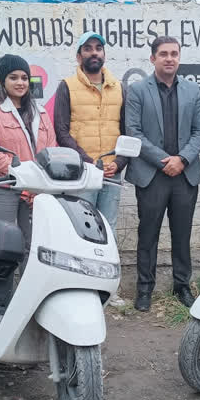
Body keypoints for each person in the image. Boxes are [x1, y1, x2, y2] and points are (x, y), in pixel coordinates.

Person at [125, 36, 200, 312]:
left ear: (179, 57)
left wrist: (182, 159)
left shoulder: (193, 91)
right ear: (153, 59)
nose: (169, 58)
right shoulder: (137, 91)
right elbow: (133, 132)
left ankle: (182, 285)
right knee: (147, 234)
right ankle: (145, 288)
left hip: (184, 175)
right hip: (152, 174)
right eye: (163, 54)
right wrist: (165, 161)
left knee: (182, 233)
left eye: (174, 53)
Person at [54, 31, 127, 307]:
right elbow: (62, 131)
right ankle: (82, 288)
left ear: (104, 54)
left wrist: (118, 163)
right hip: (82, 173)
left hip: (111, 172)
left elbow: (126, 131)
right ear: (79, 55)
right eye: (88, 49)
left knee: (108, 228)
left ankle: (108, 289)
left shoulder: (118, 87)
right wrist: (88, 161)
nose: (94, 53)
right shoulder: (67, 86)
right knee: (81, 230)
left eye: (98, 48)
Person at [0, 54, 57, 241]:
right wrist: (22, 174)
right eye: (13, 78)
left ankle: (31, 272)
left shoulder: (41, 112)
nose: (20, 82)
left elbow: (50, 149)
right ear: (3, 81)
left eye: (24, 78)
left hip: (37, 189)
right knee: (3, 244)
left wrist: (38, 180)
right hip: (4, 187)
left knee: (34, 243)